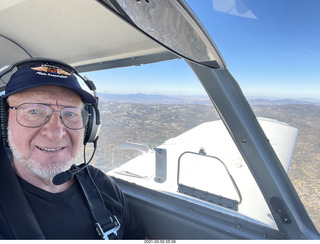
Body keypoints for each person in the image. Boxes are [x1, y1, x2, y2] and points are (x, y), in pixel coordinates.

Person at [0, 59, 144, 239]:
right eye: (34, 111)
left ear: (88, 126)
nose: (55, 133)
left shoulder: (101, 184)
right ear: (4, 122)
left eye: (70, 113)